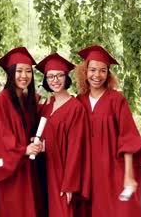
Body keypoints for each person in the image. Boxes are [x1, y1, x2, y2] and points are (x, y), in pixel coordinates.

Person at [75, 45, 141, 217]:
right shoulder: (79, 101)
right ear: (85, 71)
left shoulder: (117, 100)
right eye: (93, 70)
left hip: (115, 171)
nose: (97, 75)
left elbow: (128, 138)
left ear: (108, 73)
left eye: (103, 71)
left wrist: (128, 175)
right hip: (89, 174)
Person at [0, 47, 45, 217]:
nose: (24, 76)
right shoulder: (2, 101)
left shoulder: (25, 100)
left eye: (28, 71)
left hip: (24, 168)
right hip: (11, 173)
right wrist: (24, 150)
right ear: (11, 73)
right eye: (19, 71)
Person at [35, 53, 91, 217]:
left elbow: (76, 148)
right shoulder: (46, 106)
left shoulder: (75, 108)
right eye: (50, 76)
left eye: (60, 75)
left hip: (61, 174)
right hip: (43, 169)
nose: (55, 80)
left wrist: (69, 184)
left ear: (66, 77)